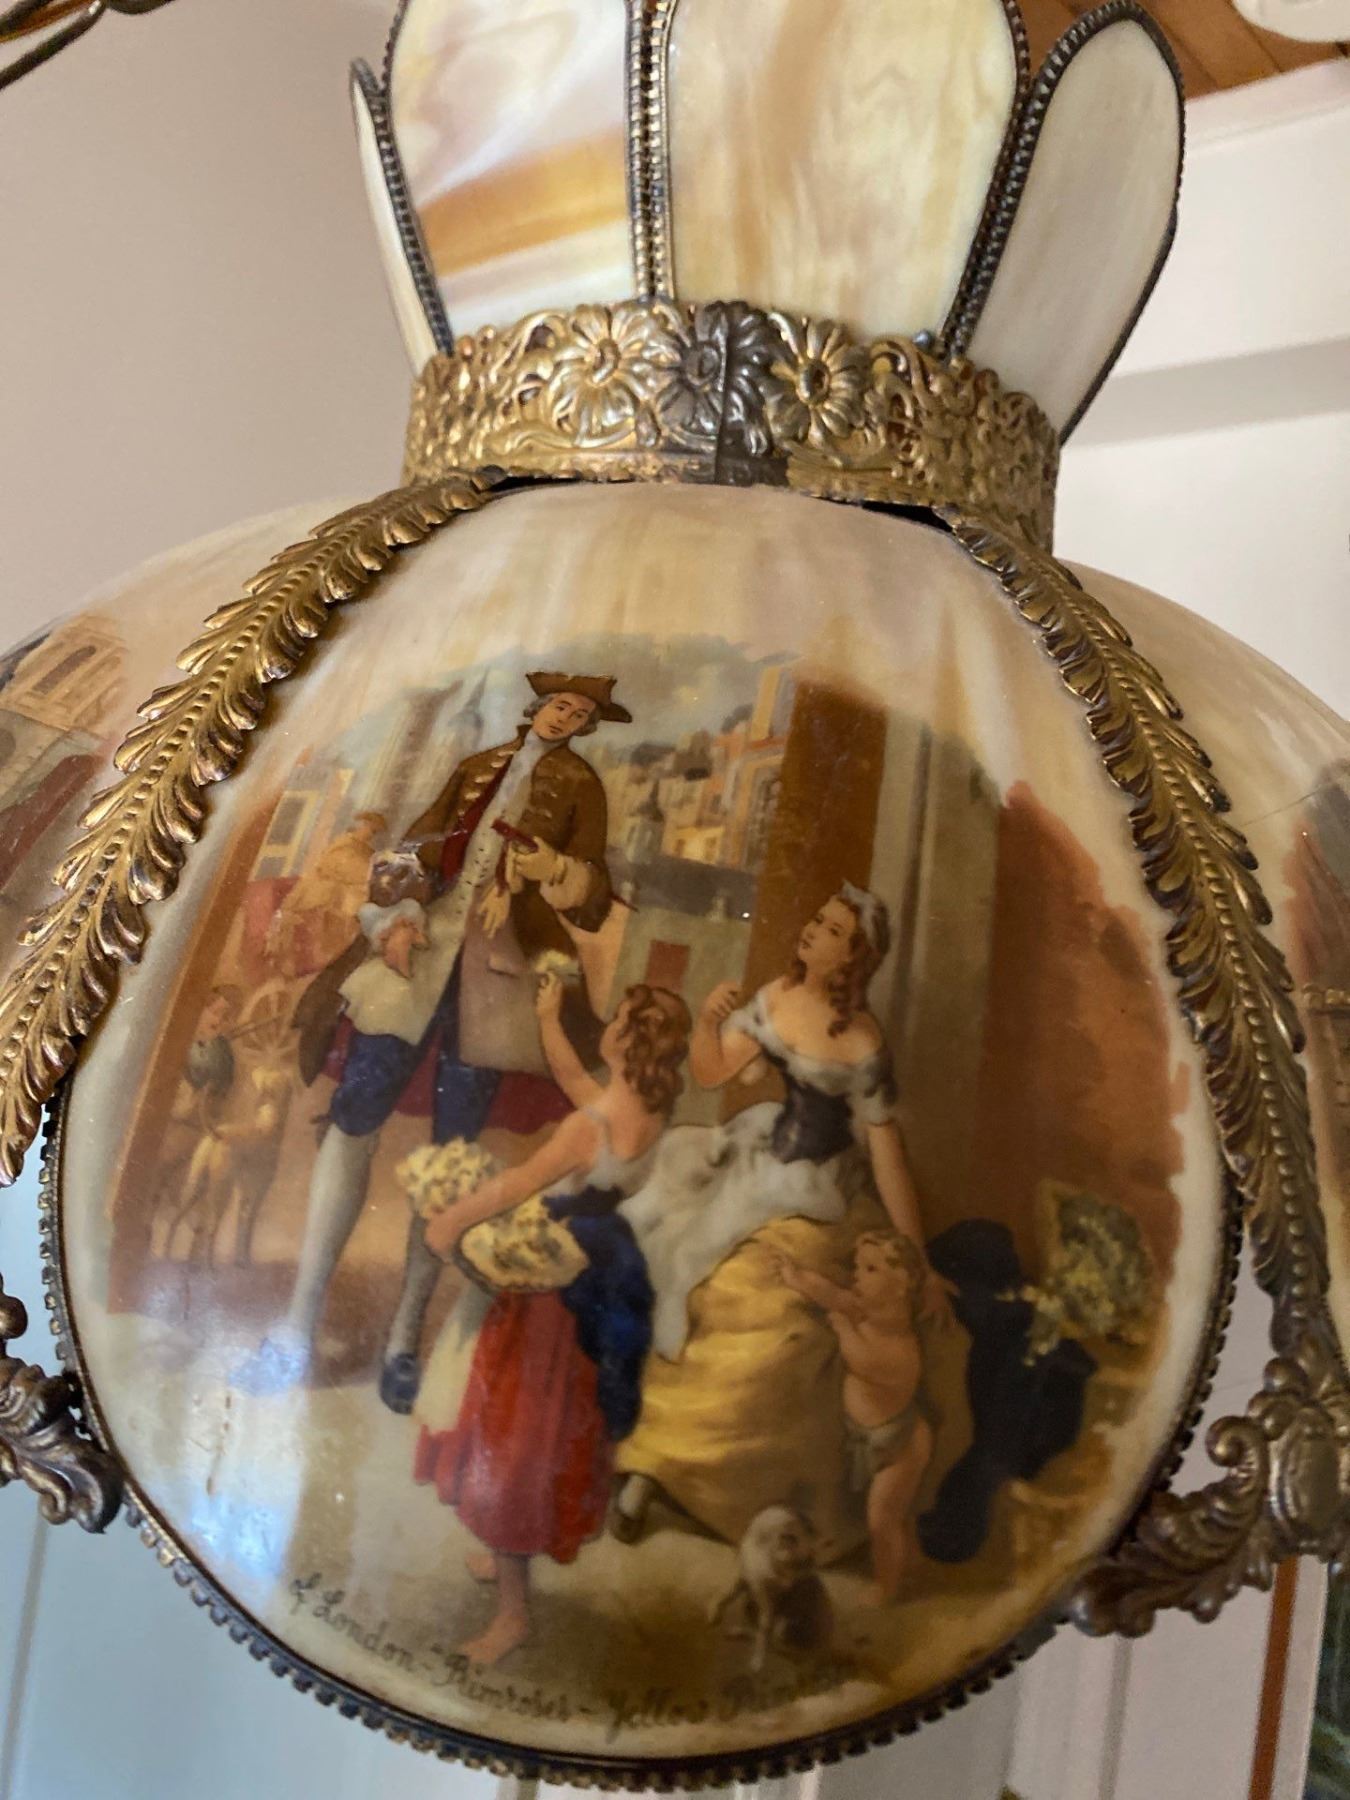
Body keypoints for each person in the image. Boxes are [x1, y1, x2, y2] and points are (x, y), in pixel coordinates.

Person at [238, 672, 628, 1404]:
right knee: (352, 1121)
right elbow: (411, 850)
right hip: (416, 960)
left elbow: (595, 896)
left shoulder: (582, 786)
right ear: (538, 707)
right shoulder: (477, 765)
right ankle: (296, 1325)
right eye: (559, 704)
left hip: (496, 976)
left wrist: (554, 870)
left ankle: (403, 1337)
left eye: (580, 713)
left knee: (451, 1159)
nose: (565, 717)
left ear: (586, 725)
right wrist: (399, 917)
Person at [613, 884, 941, 1551]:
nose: (813, 930)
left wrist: (919, 1257)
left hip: (819, 1192)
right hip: (757, 1159)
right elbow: (711, 1073)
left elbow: (886, 1151)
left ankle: (681, 1473)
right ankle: (642, 1462)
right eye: (817, 919)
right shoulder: (777, 997)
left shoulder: (863, 1042)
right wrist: (708, 1024)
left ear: (854, 957)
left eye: (833, 930)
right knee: (672, 1260)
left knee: (759, 1307)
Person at [415, 978, 692, 1667]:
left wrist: (451, 1221)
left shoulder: (586, 1128)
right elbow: (575, 1079)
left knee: (512, 1439)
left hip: (550, 1298)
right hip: (601, 1285)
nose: (607, 1025)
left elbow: (518, 1183)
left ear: (625, 1041)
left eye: (617, 1019)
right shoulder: (646, 1113)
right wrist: (547, 1018)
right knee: (543, 1434)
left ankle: (513, 1616)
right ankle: (505, 1555)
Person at [776, 1231, 932, 1599]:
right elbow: (828, 1293)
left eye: (871, 1269)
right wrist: (796, 1277)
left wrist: (844, 1329)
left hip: (900, 1445)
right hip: (864, 1435)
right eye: (859, 1267)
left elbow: (867, 1363)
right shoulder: (863, 1308)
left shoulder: (902, 1345)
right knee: (890, 1517)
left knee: (883, 1519)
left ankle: (887, 1589)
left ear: (901, 1285)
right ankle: (905, 1565)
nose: (857, 1276)